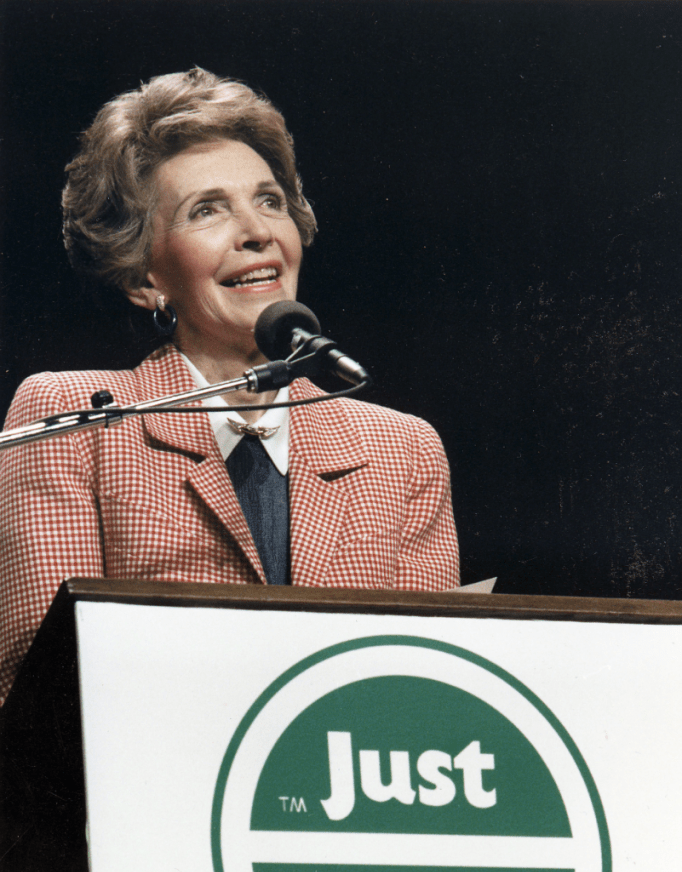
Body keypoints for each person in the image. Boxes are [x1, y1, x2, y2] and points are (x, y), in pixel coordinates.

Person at [0, 68, 460, 705]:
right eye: (207, 210)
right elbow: (40, 690)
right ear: (143, 278)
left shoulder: (401, 450)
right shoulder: (76, 420)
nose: (257, 231)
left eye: (270, 201)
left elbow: (424, 695)